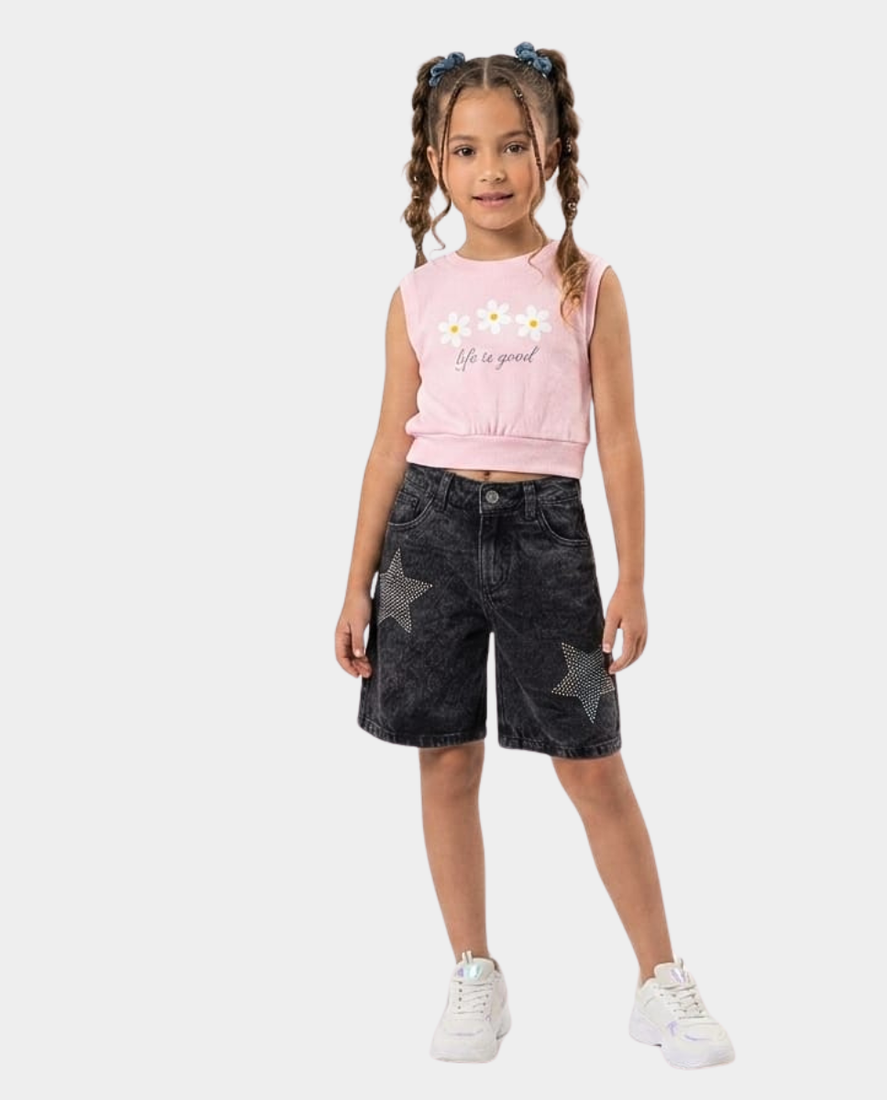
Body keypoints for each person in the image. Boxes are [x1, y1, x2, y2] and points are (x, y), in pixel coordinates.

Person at [334, 42, 734, 1071]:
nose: (492, 169)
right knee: (445, 756)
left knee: (592, 763)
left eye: (513, 145)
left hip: (546, 536)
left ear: (550, 152)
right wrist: (356, 582)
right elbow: (386, 444)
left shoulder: (587, 284)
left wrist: (633, 574)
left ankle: (659, 978)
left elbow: (621, 438)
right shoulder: (416, 295)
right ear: (435, 162)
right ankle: (473, 969)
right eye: (467, 150)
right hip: (426, 535)